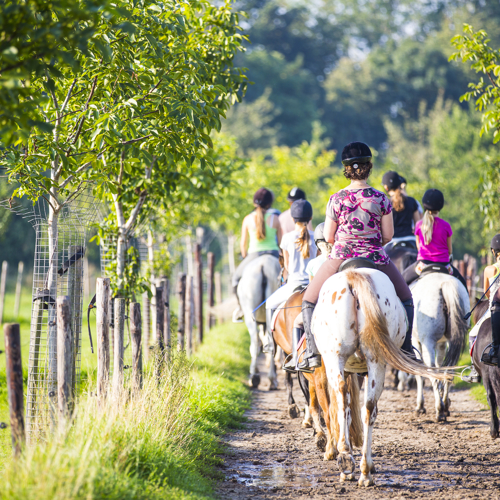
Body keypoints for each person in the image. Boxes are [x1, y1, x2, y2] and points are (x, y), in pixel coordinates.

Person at [298, 141, 417, 372]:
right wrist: (371, 243)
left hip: (340, 257)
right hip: (375, 257)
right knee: (406, 298)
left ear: (346, 169)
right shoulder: (381, 198)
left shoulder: (336, 199)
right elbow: (389, 235)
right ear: (368, 167)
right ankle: (407, 348)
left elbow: (330, 236)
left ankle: (312, 353)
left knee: (308, 300)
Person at [265, 199, 316, 370]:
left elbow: (286, 266)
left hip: (293, 284)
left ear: (292, 219)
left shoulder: (287, 238)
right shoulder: (316, 236)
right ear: (310, 218)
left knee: (270, 305)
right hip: (313, 285)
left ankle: (270, 344)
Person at [232, 188, 282, 322]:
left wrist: (245, 257)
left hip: (254, 255)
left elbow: (243, 245)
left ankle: (240, 308)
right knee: (285, 280)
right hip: (274, 253)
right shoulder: (276, 219)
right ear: (269, 203)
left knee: (235, 279)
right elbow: (281, 243)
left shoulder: (247, 219)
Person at [402, 189, 467, 289]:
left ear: (424, 204)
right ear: (440, 206)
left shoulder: (419, 225)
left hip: (423, 265)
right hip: (444, 265)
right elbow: (449, 251)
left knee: (402, 281)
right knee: (463, 284)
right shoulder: (446, 226)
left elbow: (419, 248)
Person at [475, 234, 500, 370]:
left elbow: (486, 292)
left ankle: (474, 369)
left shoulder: (490, 270)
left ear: (493, 251)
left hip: (493, 308)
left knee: (473, 335)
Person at [382, 171, 421, 251]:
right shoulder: (412, 201)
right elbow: (418, 225)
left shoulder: (385, 203)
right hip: (411, 240)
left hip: (392, 241)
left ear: (386, 187)